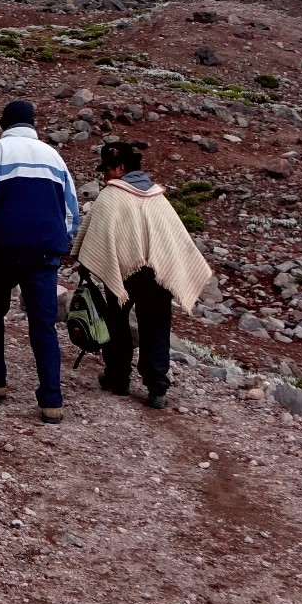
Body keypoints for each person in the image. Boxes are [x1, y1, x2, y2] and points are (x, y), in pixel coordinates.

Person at [0, 100, 80, 422]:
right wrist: (63, 240)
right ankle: (51, 400)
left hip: (8, 247)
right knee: (43, 322)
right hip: (45, 251)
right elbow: (71, 209)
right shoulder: (55, 158)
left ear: (4, 123)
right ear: (32, 124)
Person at [74, 141, 213, 409]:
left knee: (117, 323)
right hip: (158, 274)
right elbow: (172, 238)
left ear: (121, 168)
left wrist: (87, 264)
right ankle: (157, 387)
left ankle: (118, 378)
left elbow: (97, 238)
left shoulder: (111, 196)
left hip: (124, 273)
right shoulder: (157, 197)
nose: (105, 176)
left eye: (108, 169)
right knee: (157, 326)